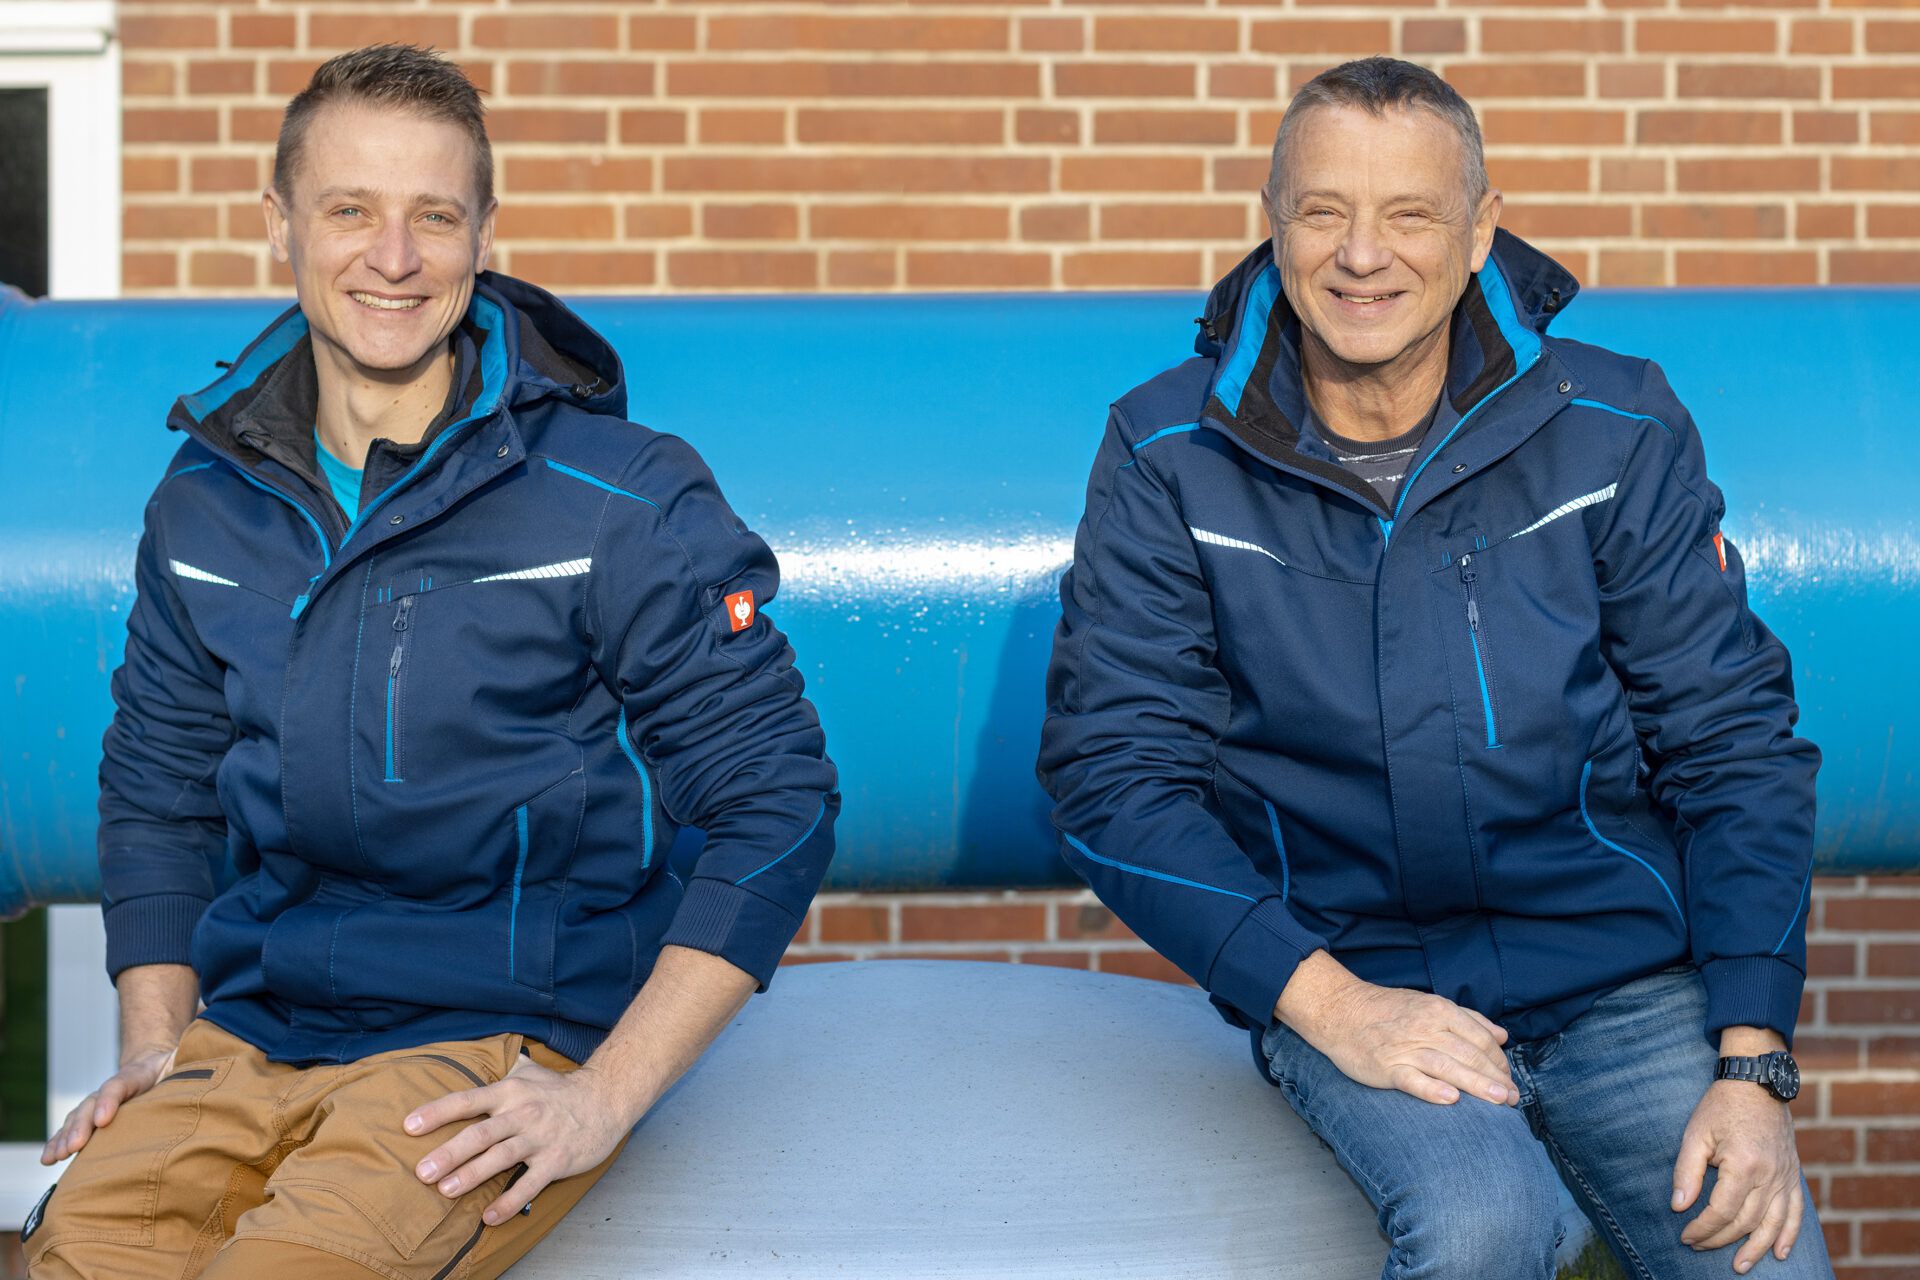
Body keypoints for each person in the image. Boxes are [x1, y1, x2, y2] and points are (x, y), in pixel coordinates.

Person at [27, 44, 837, 1279]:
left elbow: (778, 800)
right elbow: (158, 790)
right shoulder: (204, 502)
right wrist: (154, 1040)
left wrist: (606, 1094)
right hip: (252, 1032)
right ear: (281, 223)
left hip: (494, 1036)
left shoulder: (617, 496)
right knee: (77, 1254)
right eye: (351, 210)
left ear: (484, 233)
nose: (394, 257)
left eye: (435, 216)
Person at [1038, 56, 1827, 1280]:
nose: (1363, 255)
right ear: (1273, 219)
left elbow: (1733, 743)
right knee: (1480, 1228)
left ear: (1479, 229)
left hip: (1624, 976)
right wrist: (1326, 1001)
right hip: (1354, 975)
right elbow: (1112, 775)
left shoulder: (1615, 427)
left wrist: (1751, 1054)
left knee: (1759, 1261)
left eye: (1409, 213)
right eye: (1323, 211)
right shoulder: (1168, 450)